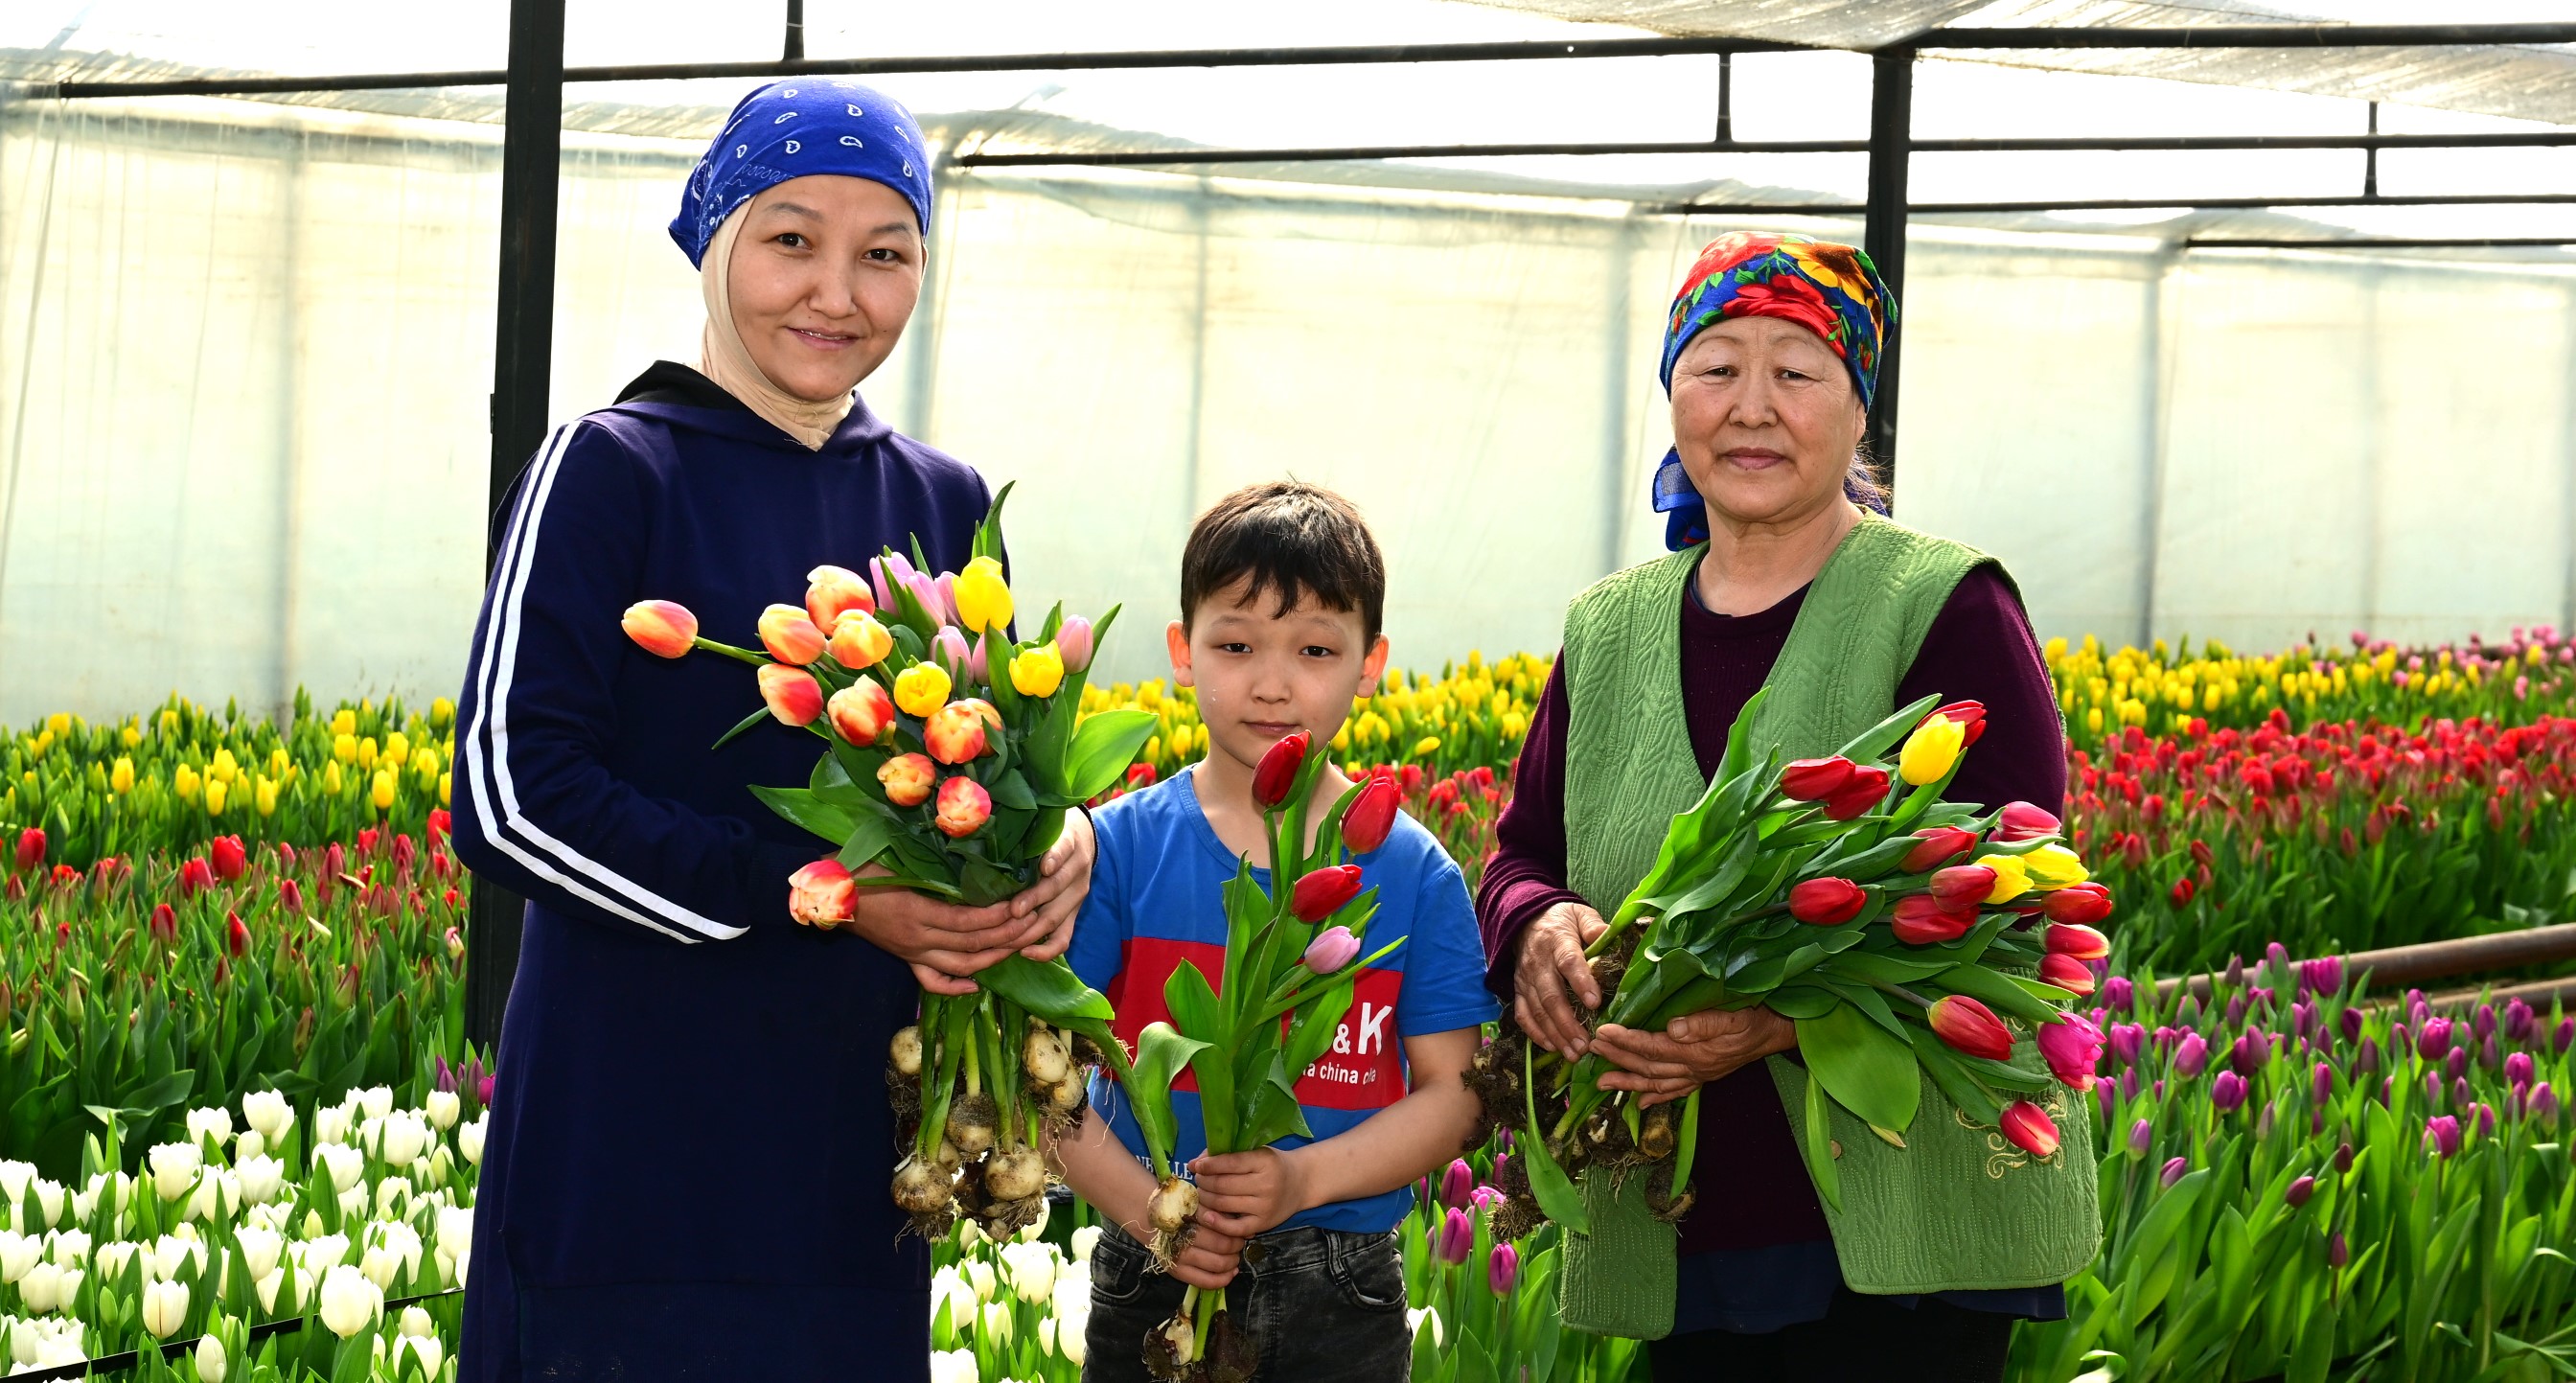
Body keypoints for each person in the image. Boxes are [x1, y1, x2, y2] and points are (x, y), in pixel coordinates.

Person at [448, 81, 1094, 1381]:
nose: (836, 293)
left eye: (886, 252)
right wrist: (817, 897)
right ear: (715, 238)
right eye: (791, 239)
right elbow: (513, 793)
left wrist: (1057, 833)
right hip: (636, 1144)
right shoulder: (613, 464)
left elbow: (993, 750)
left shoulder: (941, 497)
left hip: (852, 1161)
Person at [1477, 233, 2099, 1381]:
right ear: (1672, 395)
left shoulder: (1942, 605)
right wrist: (1534, 929)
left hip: (1904, 1232)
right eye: (1715, 367)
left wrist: (1775, 1023)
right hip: (1685, 1216)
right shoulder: (1608, 629)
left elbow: (2019, 897)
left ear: (1859, 411)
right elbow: (1522, 853)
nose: (1750, 407)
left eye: (1795, 371)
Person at [1052, 482, 1497, 1383]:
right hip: (1149, 1273)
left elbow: (1455, 1093)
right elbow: (1045, 1074)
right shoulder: (1122, 851)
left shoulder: (1411, 874)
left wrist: (1304, 1178)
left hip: (1339, 1278)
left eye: (1316, 649)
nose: (1271, 681)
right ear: (1183, 652)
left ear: (1370, 664)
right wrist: (1152, 1212)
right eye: (1236, 643)